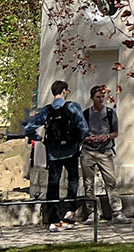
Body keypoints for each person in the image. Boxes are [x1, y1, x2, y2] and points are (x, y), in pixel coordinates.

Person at [24, 80, 88, 231]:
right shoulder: (73, 107)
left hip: (53, 153)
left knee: (54, 184)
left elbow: (29, 128)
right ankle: (69, 212)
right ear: (64, 91)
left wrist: (41, 139)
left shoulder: (46, 110)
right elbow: (84, 128)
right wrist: (77, 142)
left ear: (54, 92)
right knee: (72, 180)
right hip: (71, 152)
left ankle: (54, 220)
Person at [78, 84, 127, 223]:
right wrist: (88, 138)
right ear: (92, 98)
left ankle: (117, 212)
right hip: (88, 152)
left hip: (105, 152)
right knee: (88, 184)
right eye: (98, 97)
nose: (101, 100)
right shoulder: (86, 114)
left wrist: (106, 136)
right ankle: (92, 213)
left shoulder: (110, 113)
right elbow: (80, 133)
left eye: (102, 97)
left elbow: (115, 133)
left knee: (110, 182)